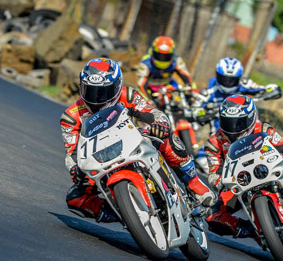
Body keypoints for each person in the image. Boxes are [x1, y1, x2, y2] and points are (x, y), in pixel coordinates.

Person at [61, 58, 214, 222]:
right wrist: (75, 170)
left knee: (168, 138)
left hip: (132, 140)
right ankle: (123, 214)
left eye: (103, 92)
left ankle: (193, 183)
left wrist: (159, 124)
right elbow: (72, 153)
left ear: (117, 86)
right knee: (75, 198)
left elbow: (154, 113)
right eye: (91, 91)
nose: (97, 99)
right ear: (81, 88)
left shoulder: (128, 94)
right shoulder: (71, 117)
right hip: (99, 159)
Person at [204, 94, 283, 246]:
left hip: (269, 170)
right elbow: (214, 171)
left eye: (239, 122)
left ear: (251, 117)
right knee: (212, 215)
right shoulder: (214, 142)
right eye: (228, 122)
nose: (233, 128)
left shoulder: (263, 129)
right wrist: (219, 182)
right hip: (239, 183)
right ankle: (253, 230)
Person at [194, 57, 281, 134]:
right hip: (221, 137)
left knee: (268, 136)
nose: (228, 83)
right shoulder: (209, 91)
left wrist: (270, 91)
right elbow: (194, 110)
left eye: (232, 80)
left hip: (250, 129)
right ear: (217, 76)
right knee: (204, 151)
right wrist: (204, 114)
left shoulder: (244, 84)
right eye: (224, 79)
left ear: (238, 78)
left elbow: (266, 89)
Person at [136, 36, 195, 107]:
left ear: (172, 55)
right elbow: (141, 85)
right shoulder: (145, 62)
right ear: (153, 52)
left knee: (185, 100)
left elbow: (187, 77)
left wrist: (191, 89)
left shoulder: (177, 61)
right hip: (150, 88)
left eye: (166, 56)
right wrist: (149, 101)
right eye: (159, 55)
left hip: (168, 85)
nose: (162, 59)